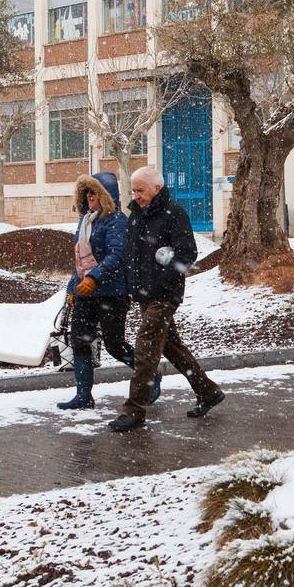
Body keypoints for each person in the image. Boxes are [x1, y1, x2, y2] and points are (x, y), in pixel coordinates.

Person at [109, 165, 224, 432]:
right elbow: (133, 255)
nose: (135, 195)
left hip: (164, 295)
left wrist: (165, 276)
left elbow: (187, 254)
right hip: (144, 294)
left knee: (146, 348)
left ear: (156, 189)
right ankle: (207, 391)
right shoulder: (136, 216)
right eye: (133, 190)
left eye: (140, 190)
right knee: (171, 346)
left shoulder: (174, 214)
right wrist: (132, 285)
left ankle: (134, 410)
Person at [57, 172, 159, 410]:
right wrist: (73, 289)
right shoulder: (85, 221)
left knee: (114, 345)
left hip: (113, 293)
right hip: (86, 293)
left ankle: (152, 377)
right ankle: (84, 395)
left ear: (106, 195)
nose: (90, 197)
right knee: (79, 341)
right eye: (87, 193)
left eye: (94, 192)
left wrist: (94, 278)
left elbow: (117, 255)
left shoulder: (116, 221)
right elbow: (79, 259)